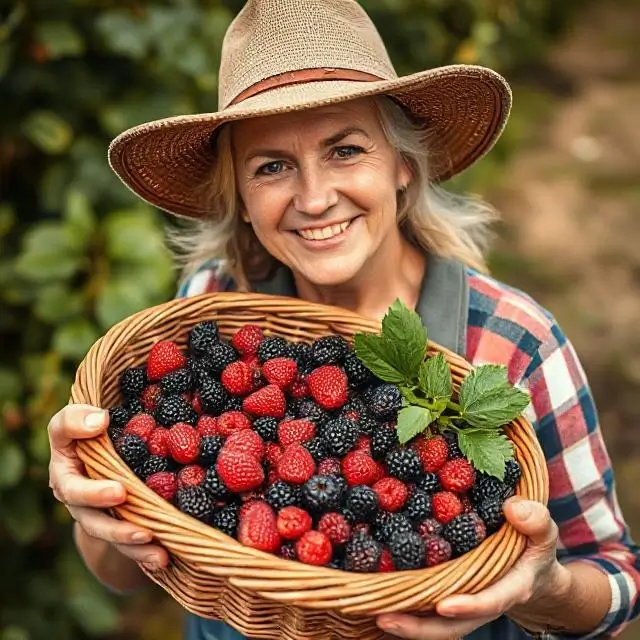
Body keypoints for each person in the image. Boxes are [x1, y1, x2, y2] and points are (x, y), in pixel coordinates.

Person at [47, 0, 640, 638]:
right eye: (271, 166)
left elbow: (616, 579)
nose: (315, 197)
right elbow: (126, 567)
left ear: (402, 166)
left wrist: (542, 587)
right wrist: (100, 506)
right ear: (242, 199)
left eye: (346, 150)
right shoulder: (209, 304)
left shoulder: (515, 344)